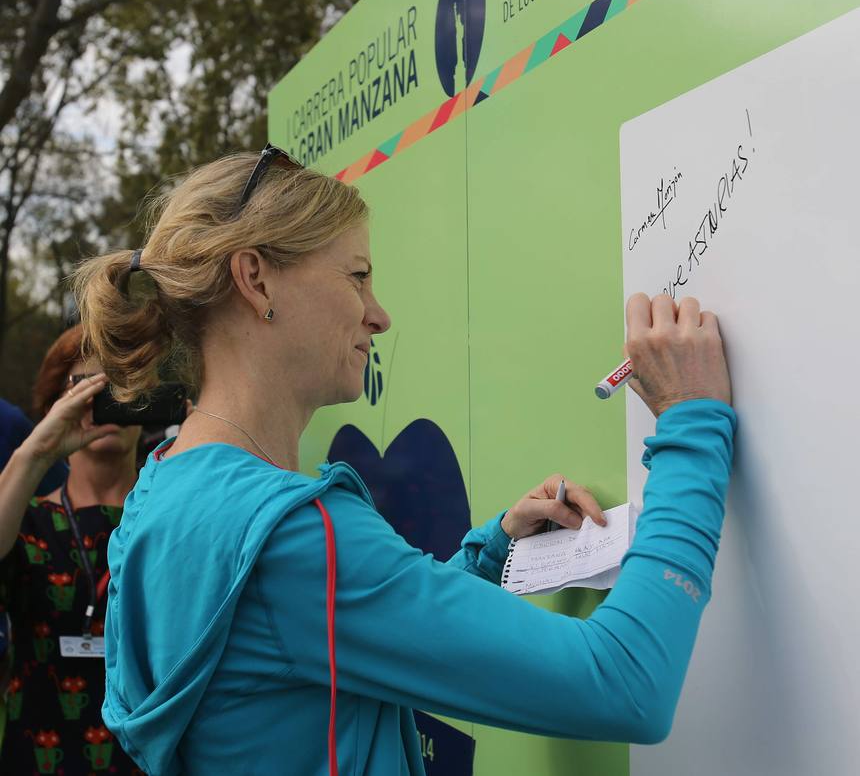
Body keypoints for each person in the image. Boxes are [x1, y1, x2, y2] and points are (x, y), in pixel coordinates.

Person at [72, 147, 734, 775]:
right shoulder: (295, 539)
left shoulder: (164, 485)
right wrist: (690, 423)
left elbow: (315, 640)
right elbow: (622, 684)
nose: (378, 315)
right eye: (357, 276)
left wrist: (489, 554)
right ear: (255, 278)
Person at [0, 325, 142, 774]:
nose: (107, 403)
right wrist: (34, 453)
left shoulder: (170, 521)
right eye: (88, 389)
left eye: (124, 383)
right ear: (55, 407)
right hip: (39, 753)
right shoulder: (29, 522)